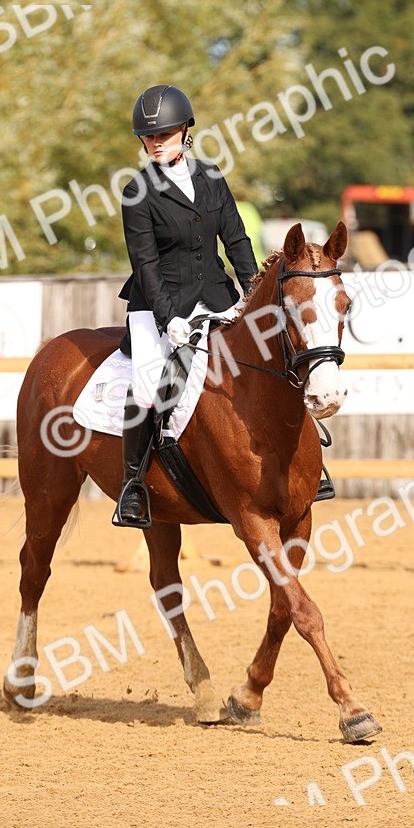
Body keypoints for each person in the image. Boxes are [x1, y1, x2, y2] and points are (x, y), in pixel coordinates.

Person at [114, 83, 259, 527]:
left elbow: (236, 240)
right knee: (149, 385)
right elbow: (145, 264)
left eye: (165, 134)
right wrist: (168, 318)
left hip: (216, 296)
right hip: (158, 303)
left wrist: (253, 293)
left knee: (268, 361)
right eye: (149, 137)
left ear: (185, 131)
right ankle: (133, 485)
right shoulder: (137, 192)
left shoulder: (211, 178)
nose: (157, 143)